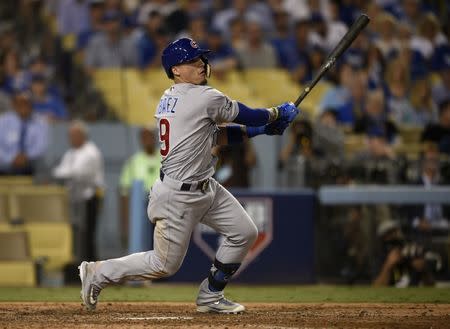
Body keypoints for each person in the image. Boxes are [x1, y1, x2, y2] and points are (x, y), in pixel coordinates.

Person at [79, 37, 299, 313]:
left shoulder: (172, 97)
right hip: (177, 195)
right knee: (164, 265)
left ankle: (210, 296)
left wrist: (261, 131)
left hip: (206, 186)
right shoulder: (204, 97)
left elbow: (213, 135)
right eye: (191, 61)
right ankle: (97, 273)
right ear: (175, 70)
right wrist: (277, 113)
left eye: (200, 59)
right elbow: (249, 114)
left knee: (244, 232)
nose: (200, 65)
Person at [53, 120, 105, 262]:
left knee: (88, 234)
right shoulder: (71, 153)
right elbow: (60, 171)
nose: (70, 139)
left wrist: (61, 173)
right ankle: (79, 264)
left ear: (82, 135)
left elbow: (76, 173)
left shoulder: (91, 152)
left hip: (90, 198)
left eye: (73, 135)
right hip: (75, 199)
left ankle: (92, 265)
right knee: (77, 233)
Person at [118, 126, 160, 247]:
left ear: (155, 138)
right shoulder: (133, 162)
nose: (147, 140)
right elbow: (124, 191)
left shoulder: (165, 159)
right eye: (144, 137)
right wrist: (125, 224)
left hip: (162, 208)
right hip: (140, 211)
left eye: (149, 136)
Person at [372, 220, 435, 287]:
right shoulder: (380, 258)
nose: (394, 235)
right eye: (389, 233)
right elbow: (376, 287)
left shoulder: (412, 253)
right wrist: (388, 265)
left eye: (396, 231)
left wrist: (424, 270)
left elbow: (431, 285)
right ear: (383, 238)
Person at [0, 89, 48, 175]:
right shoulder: (3, 121)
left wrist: (26, 157)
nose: (23, 106)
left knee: (42, 164)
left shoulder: (40, 122)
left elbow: (40, 147)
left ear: (31, 104)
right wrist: (11, 159)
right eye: (19, 103)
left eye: (26, 103)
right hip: (7, 162)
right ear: (13, 105)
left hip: (30, 162)